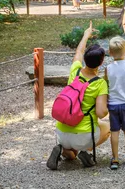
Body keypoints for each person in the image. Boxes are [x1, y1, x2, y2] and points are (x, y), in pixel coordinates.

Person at [47, 22, 110, 170]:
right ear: (100, 63)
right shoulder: (100, 83)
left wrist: (86, 34)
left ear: (86, 60)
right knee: (108, 126)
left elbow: (79, 52)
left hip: (62, 133)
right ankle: (85, 151)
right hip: (83, 136)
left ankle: (63, 150)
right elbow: (101, 113)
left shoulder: (75, 71)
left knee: (71, 154)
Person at [105, 36, 125, 170]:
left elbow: (106, 85)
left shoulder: (108, 68)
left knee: (114, 131)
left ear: (110, 52)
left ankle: (115, 158)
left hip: (113, 104)